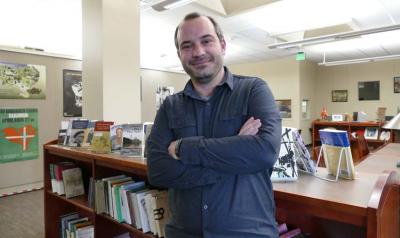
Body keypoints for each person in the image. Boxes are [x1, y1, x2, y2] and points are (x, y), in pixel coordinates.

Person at [147, 12, 282, 238]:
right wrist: (234, 155)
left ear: (222, 44)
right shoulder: (170, 106)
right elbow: (158, 171)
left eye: (206, 41)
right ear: (179, 54)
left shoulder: (253, 91)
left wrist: (184, 149)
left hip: (249, 233)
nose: (198, 52)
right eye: (187, 45)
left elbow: (265, 152)